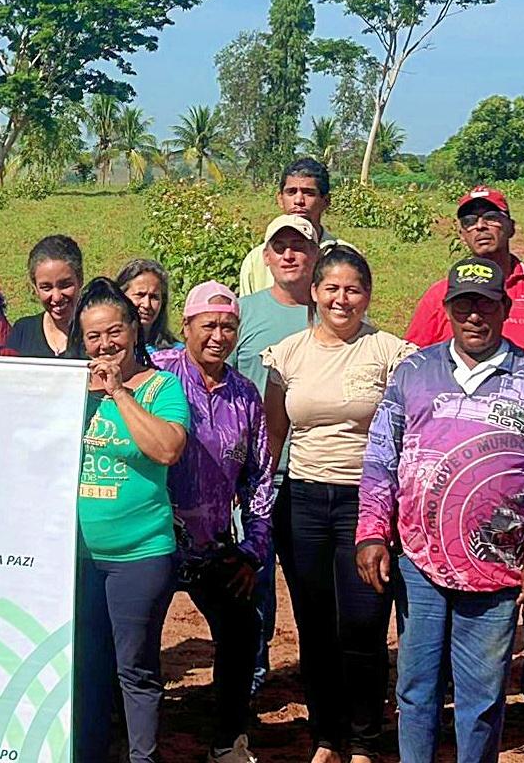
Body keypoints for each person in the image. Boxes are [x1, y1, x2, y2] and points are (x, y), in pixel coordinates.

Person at [357, 257, 524, 763]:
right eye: (463, 306)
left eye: (485, 305)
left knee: (481, 699)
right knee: (416, 691)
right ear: (447, 310)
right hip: (419, 562)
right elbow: (380, 458)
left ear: (504, 308)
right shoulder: (413, 373)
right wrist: (371, 531)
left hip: (496, 568)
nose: (474, 316)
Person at [403, 186, 524, 745]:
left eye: (491, 218)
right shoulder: (442, 293)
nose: (481, 228)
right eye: (470, 221)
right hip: (459, 487)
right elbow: (413, 364)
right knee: (454, 612)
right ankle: (457, 709)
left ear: (511, 226)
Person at [261, 246, 415, 763]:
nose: (341, 299)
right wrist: (258, 501)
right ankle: (326, 736)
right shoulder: (287, 355)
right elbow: (274, 436)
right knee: (315, 626)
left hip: (366, 503)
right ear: (314, 292)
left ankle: (366, 739)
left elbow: (411, 431)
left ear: (367, 296)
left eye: (353, 290)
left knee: (364, 624)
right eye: (332, 288)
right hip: (302, 501)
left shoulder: (391, 353)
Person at [70, 278, 190, 763]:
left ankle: (143, 757)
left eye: (114, 332)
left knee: (134, 668)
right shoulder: (66, 389)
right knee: (85, 667)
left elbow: (167, 449)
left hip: (139, 555)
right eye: (93, 336)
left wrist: (119, 392)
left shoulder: (162, 387)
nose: (105, 345)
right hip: (76, 557)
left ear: (134, 330)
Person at [153, 281, 274, 763]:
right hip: (152, 541)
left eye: (228, 327)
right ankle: (133, 735)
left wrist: (253, 551)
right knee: (136, 640)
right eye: (208, 325)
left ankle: (228, 741)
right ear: (186, 327)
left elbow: (260, 477)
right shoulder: (157, 375)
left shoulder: (245, 395)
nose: (218, 337)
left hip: (214, 546)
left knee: (242, 631)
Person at [229, 213, 320, 696]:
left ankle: (319, 675)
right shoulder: (242, 313)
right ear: (265, 257)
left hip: (313, 473)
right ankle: (252, 678)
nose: (289, 255)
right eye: (279, 247)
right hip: (253, 474)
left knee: (312, 583)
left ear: (315, 255)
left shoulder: (331, 311)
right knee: (253, 581)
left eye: (299, 247)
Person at [237, 157, 342, 297]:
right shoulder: (256, 260)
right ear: (280, 199)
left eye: (309, 193)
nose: (298, 200)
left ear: (326, 201)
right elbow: (248, 308)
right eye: (291, 192)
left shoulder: (343, 255)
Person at [7, 234, 84, 358]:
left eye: (65, 285)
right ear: (35, 288)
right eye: (46, 288)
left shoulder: (97, 335)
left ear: (80, 280)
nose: (56, 297)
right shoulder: (23, 331)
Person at [118, 258, 179, 351]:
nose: (147, 305)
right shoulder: (104, 349)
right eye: (140, 295)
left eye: (154, 297)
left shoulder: (177, 355)